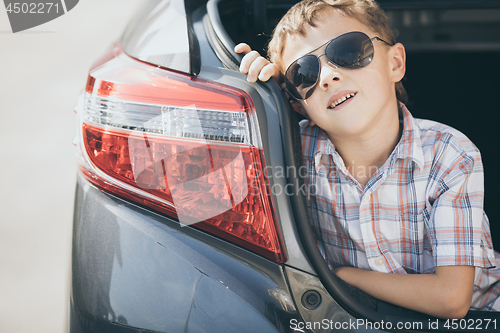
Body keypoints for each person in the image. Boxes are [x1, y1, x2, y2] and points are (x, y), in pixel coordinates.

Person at [235, 0, 500, 319]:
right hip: (357, 317)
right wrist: (262, 95)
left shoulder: (449, 152)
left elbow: (451, 298)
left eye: (348, 51)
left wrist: (341, 278)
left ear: (395, 63)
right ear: (298, 105)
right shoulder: (292, 151)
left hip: (479, 315)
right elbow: (200, 196)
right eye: (304, 72)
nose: (328, 77)